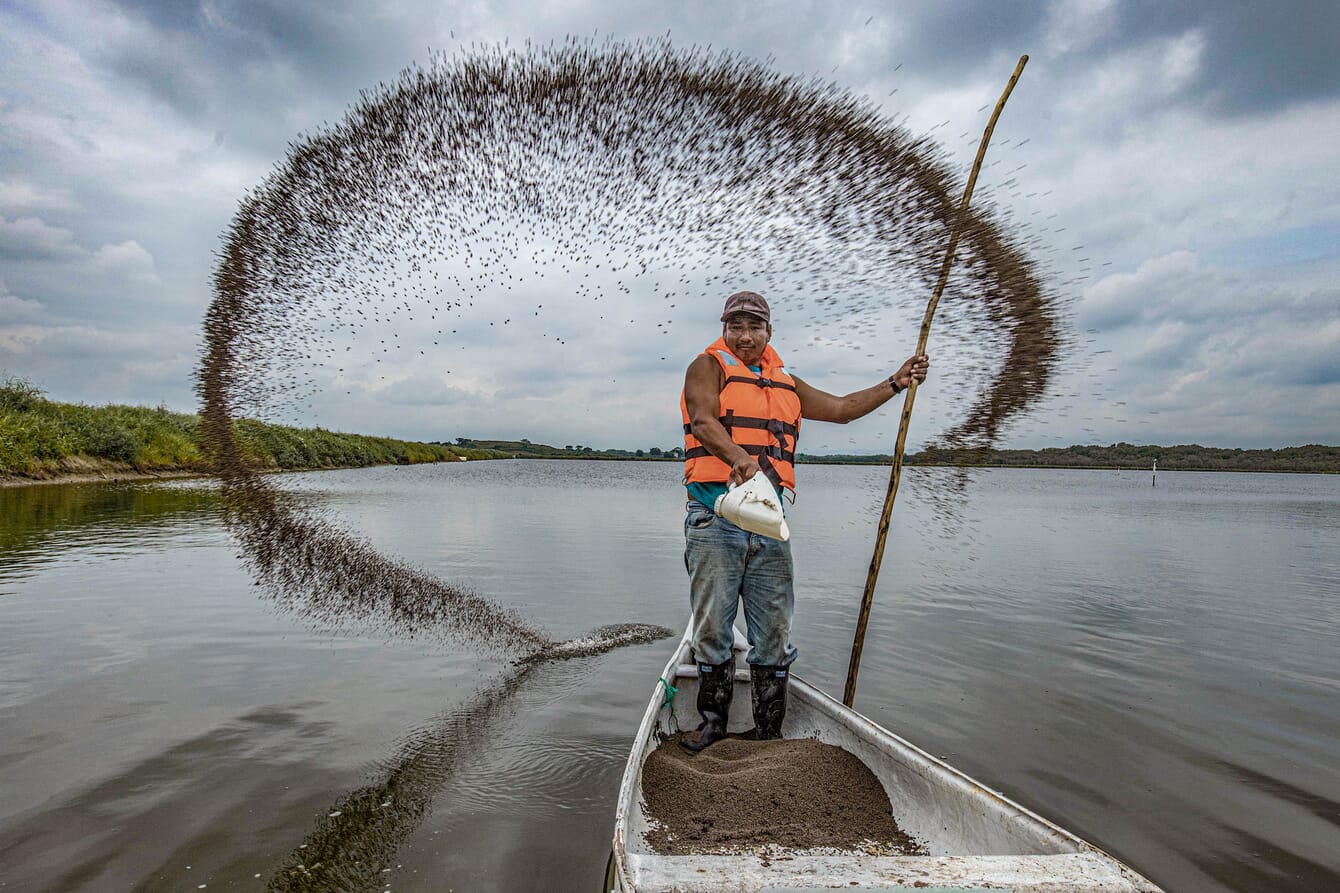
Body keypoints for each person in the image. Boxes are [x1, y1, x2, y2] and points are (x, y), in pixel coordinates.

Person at [678, 290, 928, 751]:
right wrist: (739, 458)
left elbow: (843, 409)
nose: (746, 335)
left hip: (769, 524)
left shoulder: (786, 383)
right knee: (713, 625)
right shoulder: (707, 366)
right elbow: (703, 422)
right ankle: (713, 725)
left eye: (755, 327)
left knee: (774, 628)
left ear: (769, 331)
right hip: (715, 517)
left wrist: (896, 381)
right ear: (725, 329)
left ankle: (768, 733)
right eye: (736, 327)